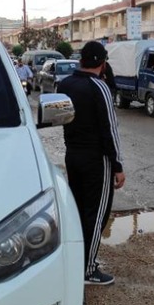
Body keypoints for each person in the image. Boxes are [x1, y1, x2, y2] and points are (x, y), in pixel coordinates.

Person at [57, 41, 125, 286]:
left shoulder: (65, 84)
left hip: (72, 155)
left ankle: (74, 258)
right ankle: (87, 269)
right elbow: (110, 129)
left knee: (78, 210)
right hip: (97, 159)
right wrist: (117, 165)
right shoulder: (100, 87)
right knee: (96, 214)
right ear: (102, 62)